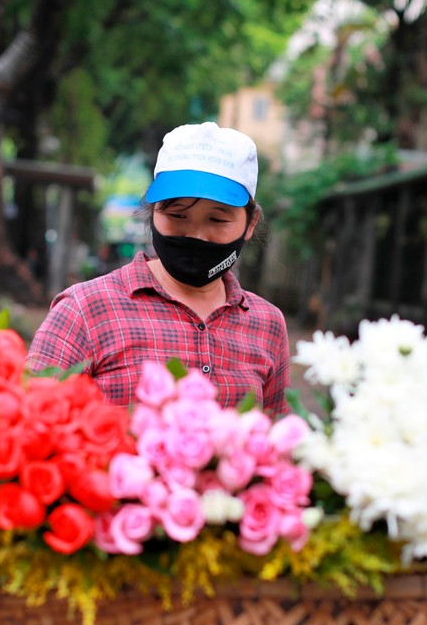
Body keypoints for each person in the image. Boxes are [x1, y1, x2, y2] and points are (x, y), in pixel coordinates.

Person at [26, 122, 291, 414]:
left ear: (250, 224)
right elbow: (34, 423)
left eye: (217, 220)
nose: (196, 235)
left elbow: (274, 442)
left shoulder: (268, 325)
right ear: (153, 213)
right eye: (178, 215)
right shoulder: (83, 311)